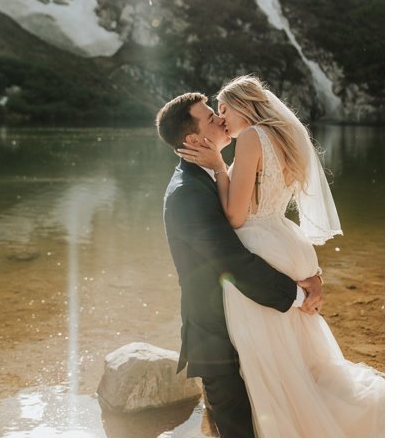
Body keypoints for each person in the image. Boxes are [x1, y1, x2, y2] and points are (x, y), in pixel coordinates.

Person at [175, 76, 384, 437]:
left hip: (261, 247)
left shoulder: (252, 138)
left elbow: (237, 216)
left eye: (224, 109)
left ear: (244, 106)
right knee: (302, 357)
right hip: (287, 240)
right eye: (216, 113)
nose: (222, 119)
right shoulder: (283, 137)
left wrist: (219, 167)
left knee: (273, 363)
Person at [155, 91, 317, 437]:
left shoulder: (213, 174)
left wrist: (310, 273)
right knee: (239, 432)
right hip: (218, 341)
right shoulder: (187, 193)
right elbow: (233, 262)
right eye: (211, 118)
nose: (221, 120)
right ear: (194, 139)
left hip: (246, 325)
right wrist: (299, 296)